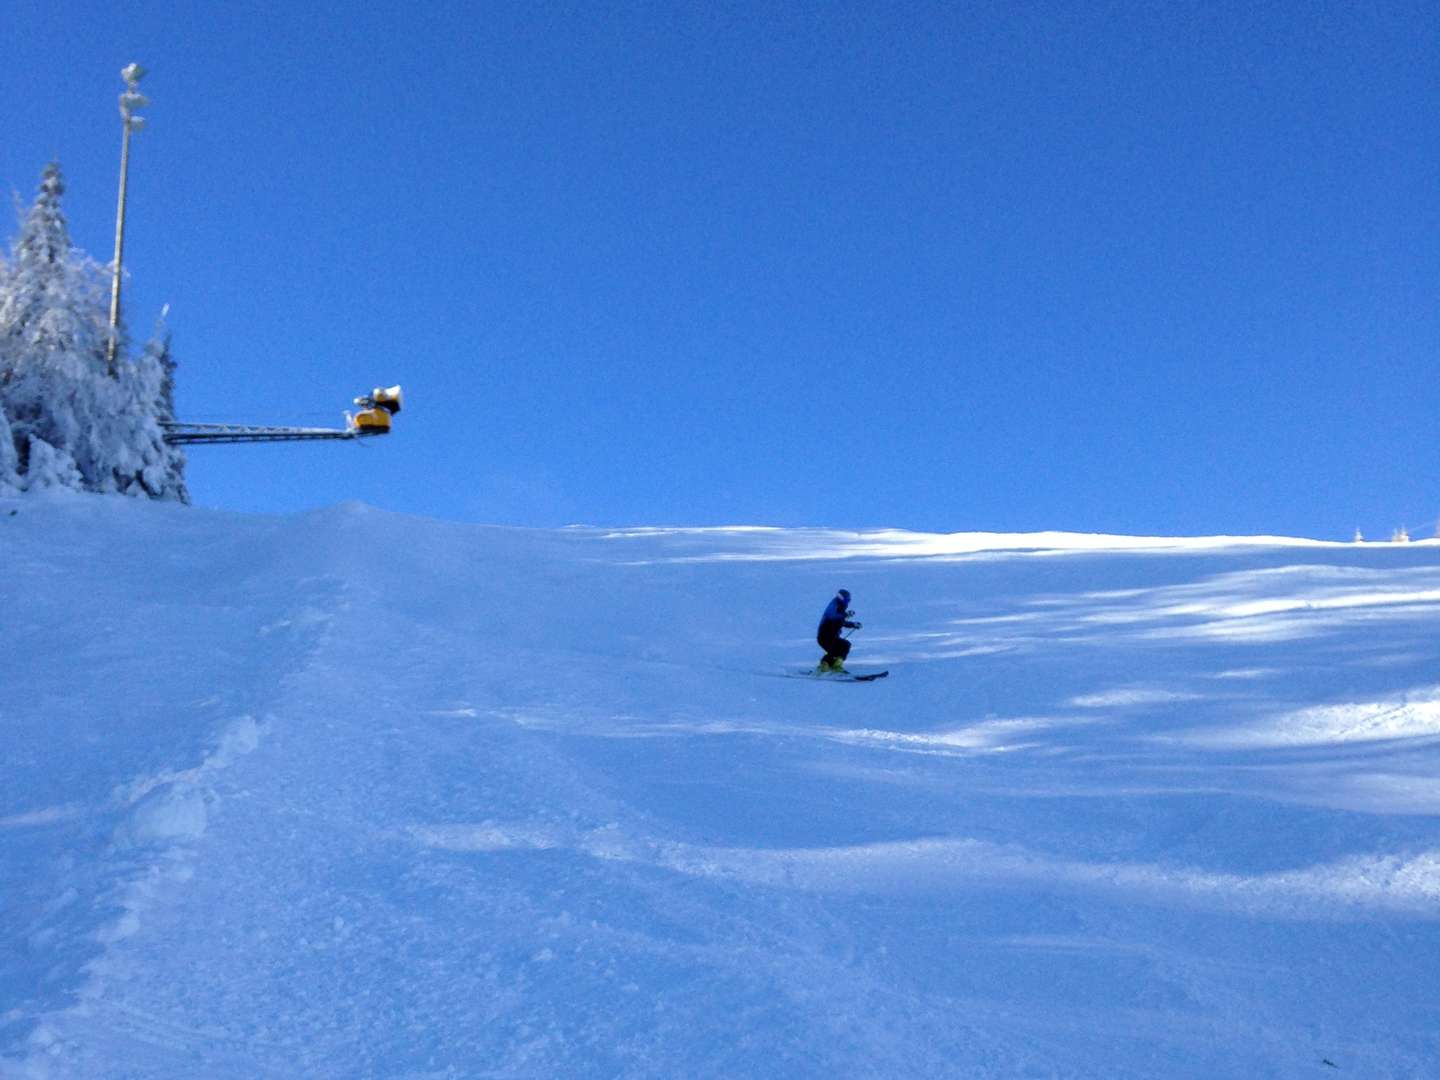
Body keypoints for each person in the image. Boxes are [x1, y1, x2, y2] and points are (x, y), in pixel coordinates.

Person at [816, 588, 861, 673]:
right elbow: (833, 617)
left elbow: (840, 621)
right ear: (842, 599)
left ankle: (836, 665)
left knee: (845, 645)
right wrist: (846, 615)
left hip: (830, 637)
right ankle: (824, 666)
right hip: (824, 637)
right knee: (835, 650)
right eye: (847, 600)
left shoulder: (839, 608)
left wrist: (853, 624)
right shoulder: (834, 606)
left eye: (849, 600)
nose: (848, 602)